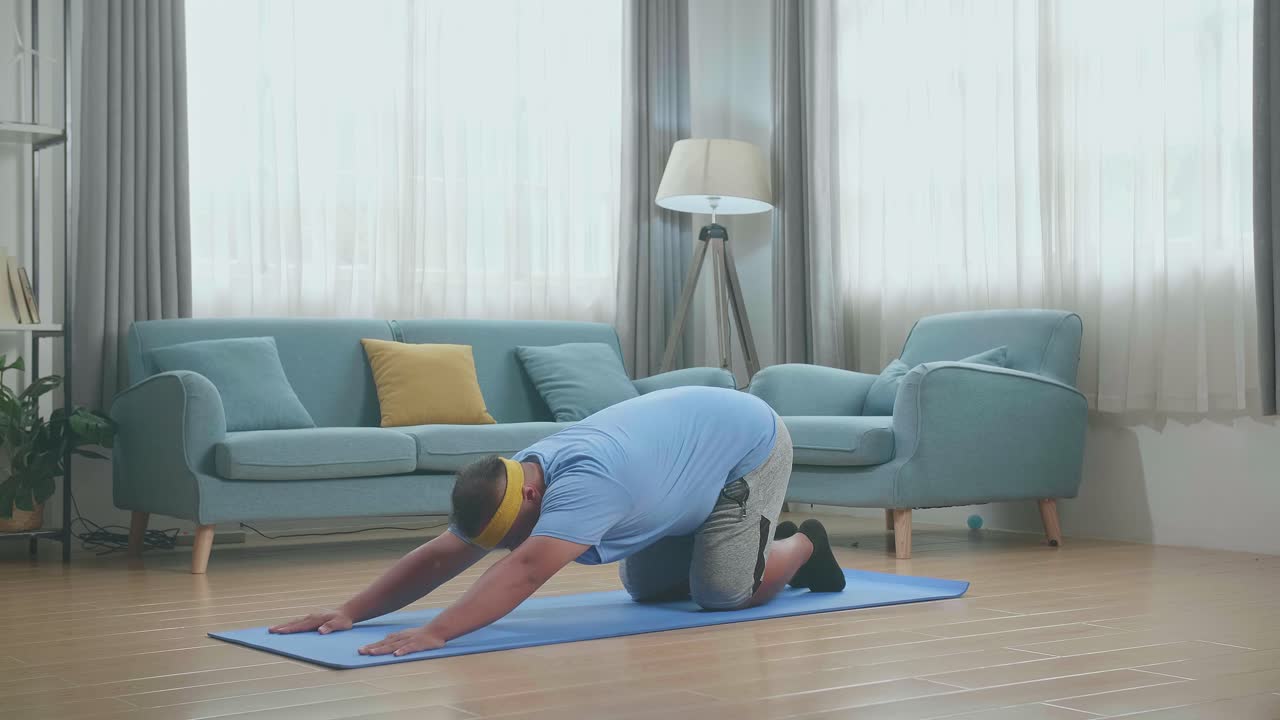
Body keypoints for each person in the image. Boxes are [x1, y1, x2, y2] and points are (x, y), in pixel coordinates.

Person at [270, 386, 846, 657]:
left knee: (720, 593)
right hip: (680, 466)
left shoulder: (590, 483)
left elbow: (524, 572)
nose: (517, 545)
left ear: (530, 498)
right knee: (648, 591)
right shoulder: (517, 477)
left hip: (748, 448)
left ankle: (802, 549)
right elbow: (446, 553)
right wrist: (351, 611)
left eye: (519, 534)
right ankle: (716, 538)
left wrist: (437, 631)